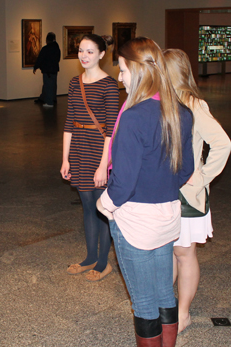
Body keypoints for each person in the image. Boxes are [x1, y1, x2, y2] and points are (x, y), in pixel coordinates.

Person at [97, 37, 194, 346]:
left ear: (138, 71)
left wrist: (105, 203)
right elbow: (185, 169)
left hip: (135, 221)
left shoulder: (133, 116)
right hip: (168, 216)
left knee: (144, 301)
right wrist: (161, 185)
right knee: (165, 291)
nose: (120, 77)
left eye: (123, 70)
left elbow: (123, 182)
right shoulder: (179, 111)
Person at [163, 48, 231, 333]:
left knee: (183, 252)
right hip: (165, 190)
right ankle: (167, 306)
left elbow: (223, 143)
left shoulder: (193, 104)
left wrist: (201, 177)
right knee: (170, 251)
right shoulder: (163, 101)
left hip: (187, 196)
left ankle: (183, 312)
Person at [61, 34, 118, 282]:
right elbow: (68, 122)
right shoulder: (75, 82)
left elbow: (112, 129)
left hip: (99, 148)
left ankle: (104, 262)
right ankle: (89, 257)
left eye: (90, 52)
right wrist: (65, 159)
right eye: (81, 51)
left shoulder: (109, 84)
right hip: (79, 149)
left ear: (102, 54)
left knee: (102, 208)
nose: (84, 56)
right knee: (86, 207)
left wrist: (103, 165)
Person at [33, 32, 61, 107]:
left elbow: (40, 59)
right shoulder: (56, 48)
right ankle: (48, 98)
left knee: (48, 85)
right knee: (52, 85)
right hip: (54, 70)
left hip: (47, 70)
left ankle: (49, 102)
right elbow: (57, 59)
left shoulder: (46, 49)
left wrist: (36, 66)